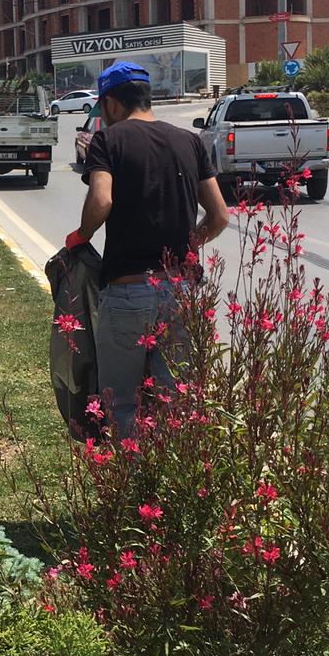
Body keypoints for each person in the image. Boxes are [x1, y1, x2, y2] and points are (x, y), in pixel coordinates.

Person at [66, 61, 229, 435]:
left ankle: (132, 471)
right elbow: (220, 215)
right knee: (176, 403)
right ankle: (171, 471)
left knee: (121, 403)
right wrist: (189, 244)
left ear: (111, 103)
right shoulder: (190, 141)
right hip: (181, 290)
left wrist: (82, 235)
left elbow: (101, 200)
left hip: (128, 293)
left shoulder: (108, 140)